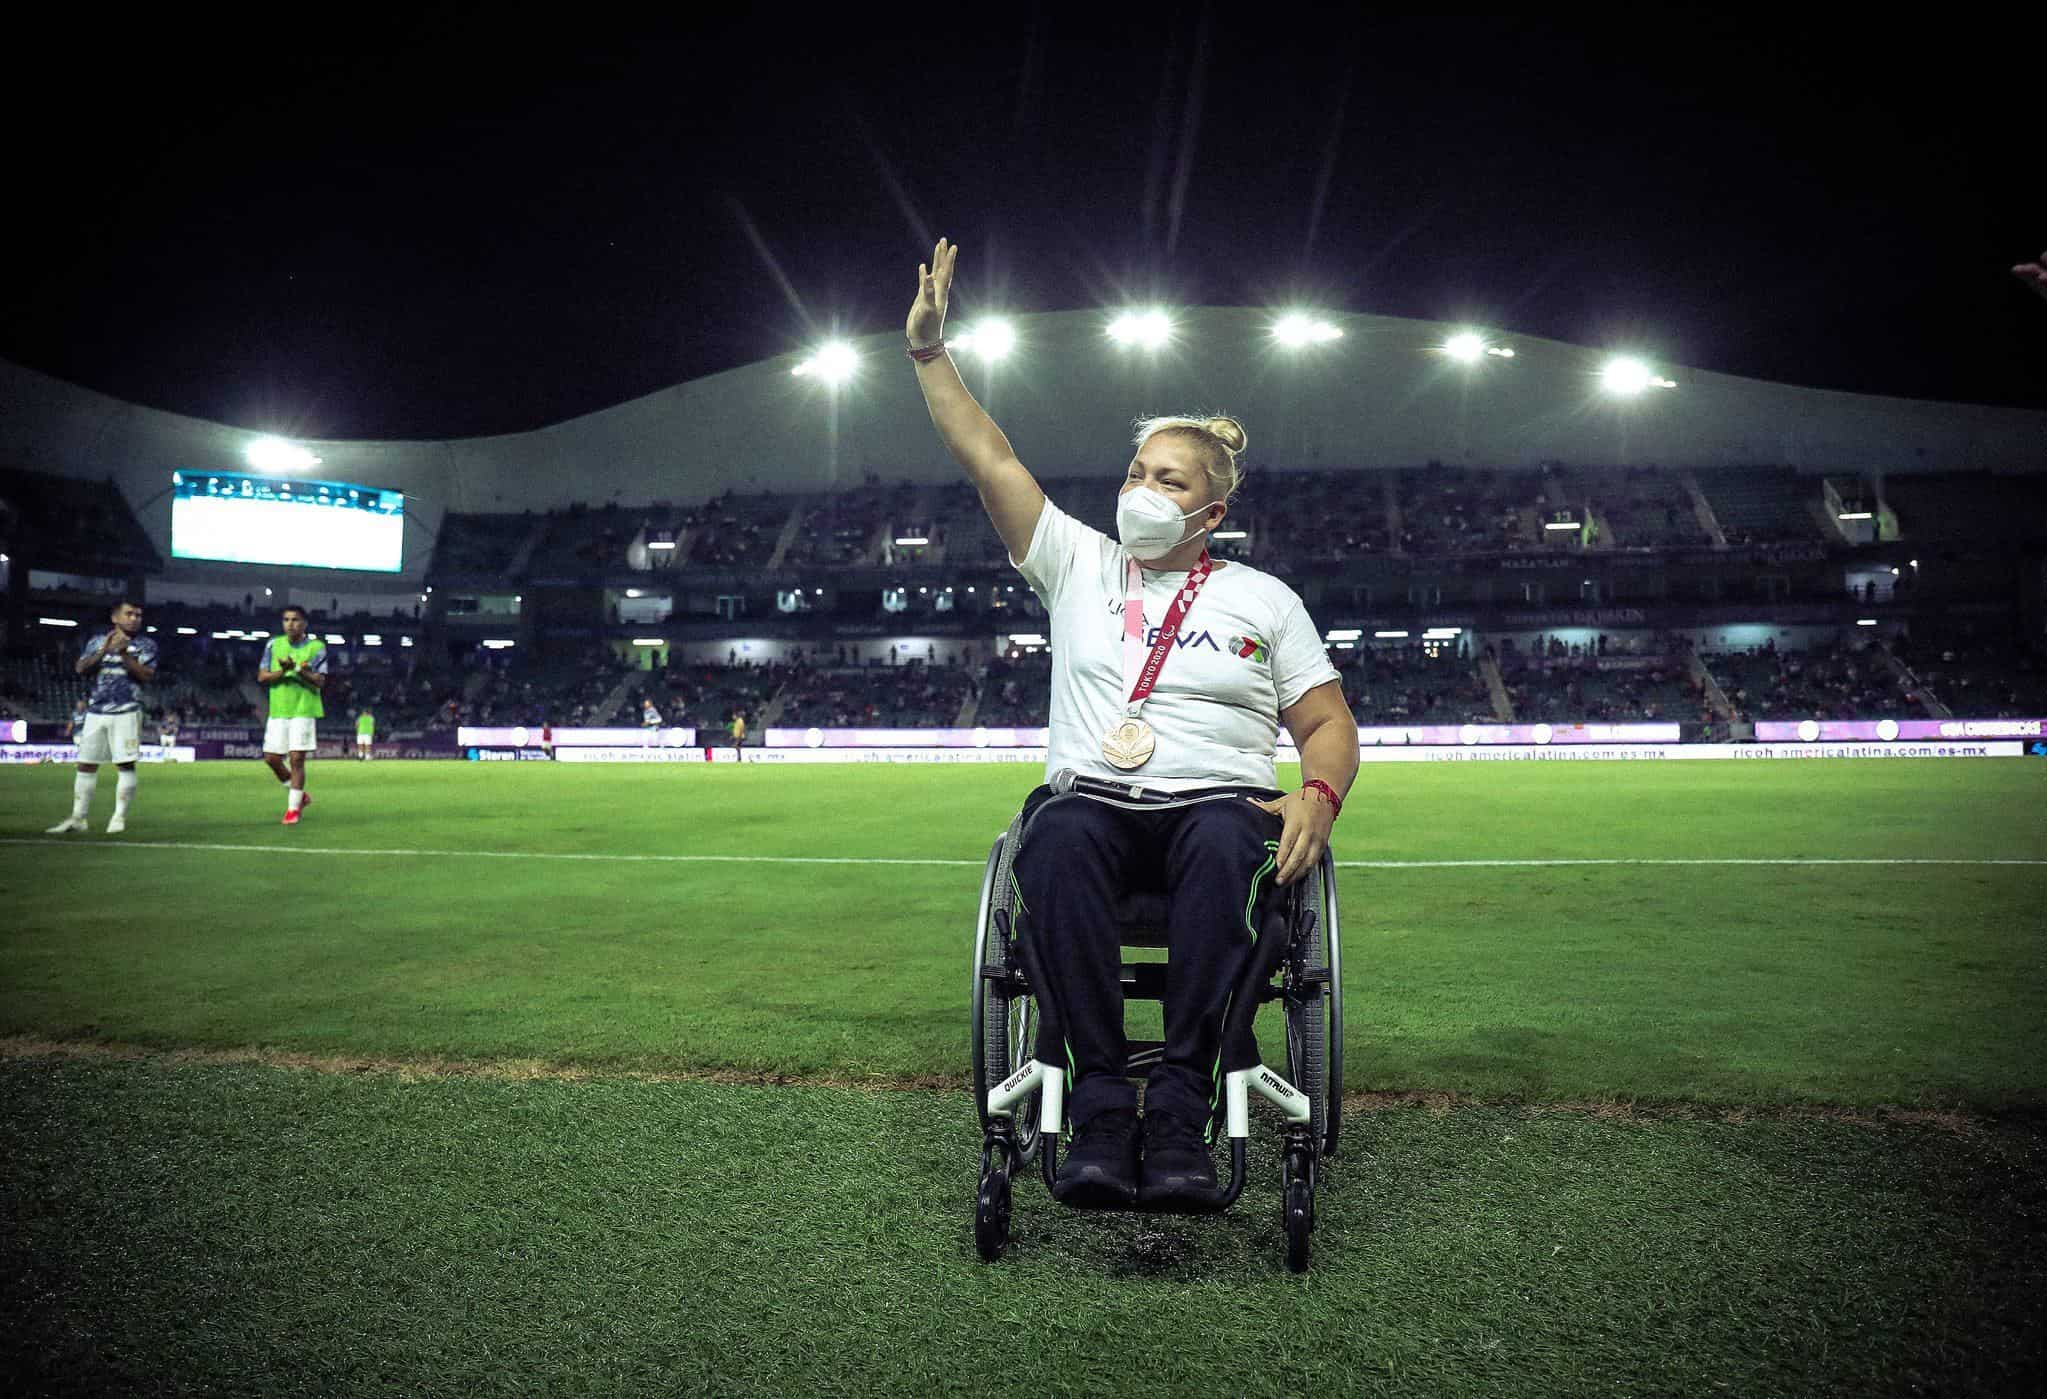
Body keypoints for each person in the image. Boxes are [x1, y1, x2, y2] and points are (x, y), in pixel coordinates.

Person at [907, 237, 1358, 1208]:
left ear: (1212, 512)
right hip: (1094, 800)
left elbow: (1327, 721)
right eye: (1135, 472)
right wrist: (929, 352)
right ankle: (1104, 1108)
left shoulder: (1263, 598)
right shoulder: (1075, 561)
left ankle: (1182, 1109)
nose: (1142, 492)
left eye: (1170, 481)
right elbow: (987, 454)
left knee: (1228, 843)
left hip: (1219, 806)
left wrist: (1318, 794)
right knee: (1056, 835)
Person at [46, 599, 158, 835]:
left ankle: (118, 818)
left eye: (138, 615)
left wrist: (124, 654)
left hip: (127, 710)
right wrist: (103, 651)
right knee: (86, 764)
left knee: (125, 764)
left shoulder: (146, 645)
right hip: (96, 711)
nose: (134, 618)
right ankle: (78, 818)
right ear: (115, 617)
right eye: (129, 614)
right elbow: (81, 668)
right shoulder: (97, 641)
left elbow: (146, 675)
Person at [257, 605, 328, 826]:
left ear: (304, 623)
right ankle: (300, 796)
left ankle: (292, 809)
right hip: (279, 708)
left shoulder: (317, 647)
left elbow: (319, 680)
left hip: (303, 708)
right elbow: (262, 676)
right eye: (286, 620)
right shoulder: (273, 644)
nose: (290, 624)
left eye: (295, 620)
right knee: (271, 758)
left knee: (297, 758)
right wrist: (283, 671)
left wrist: (296, 668)